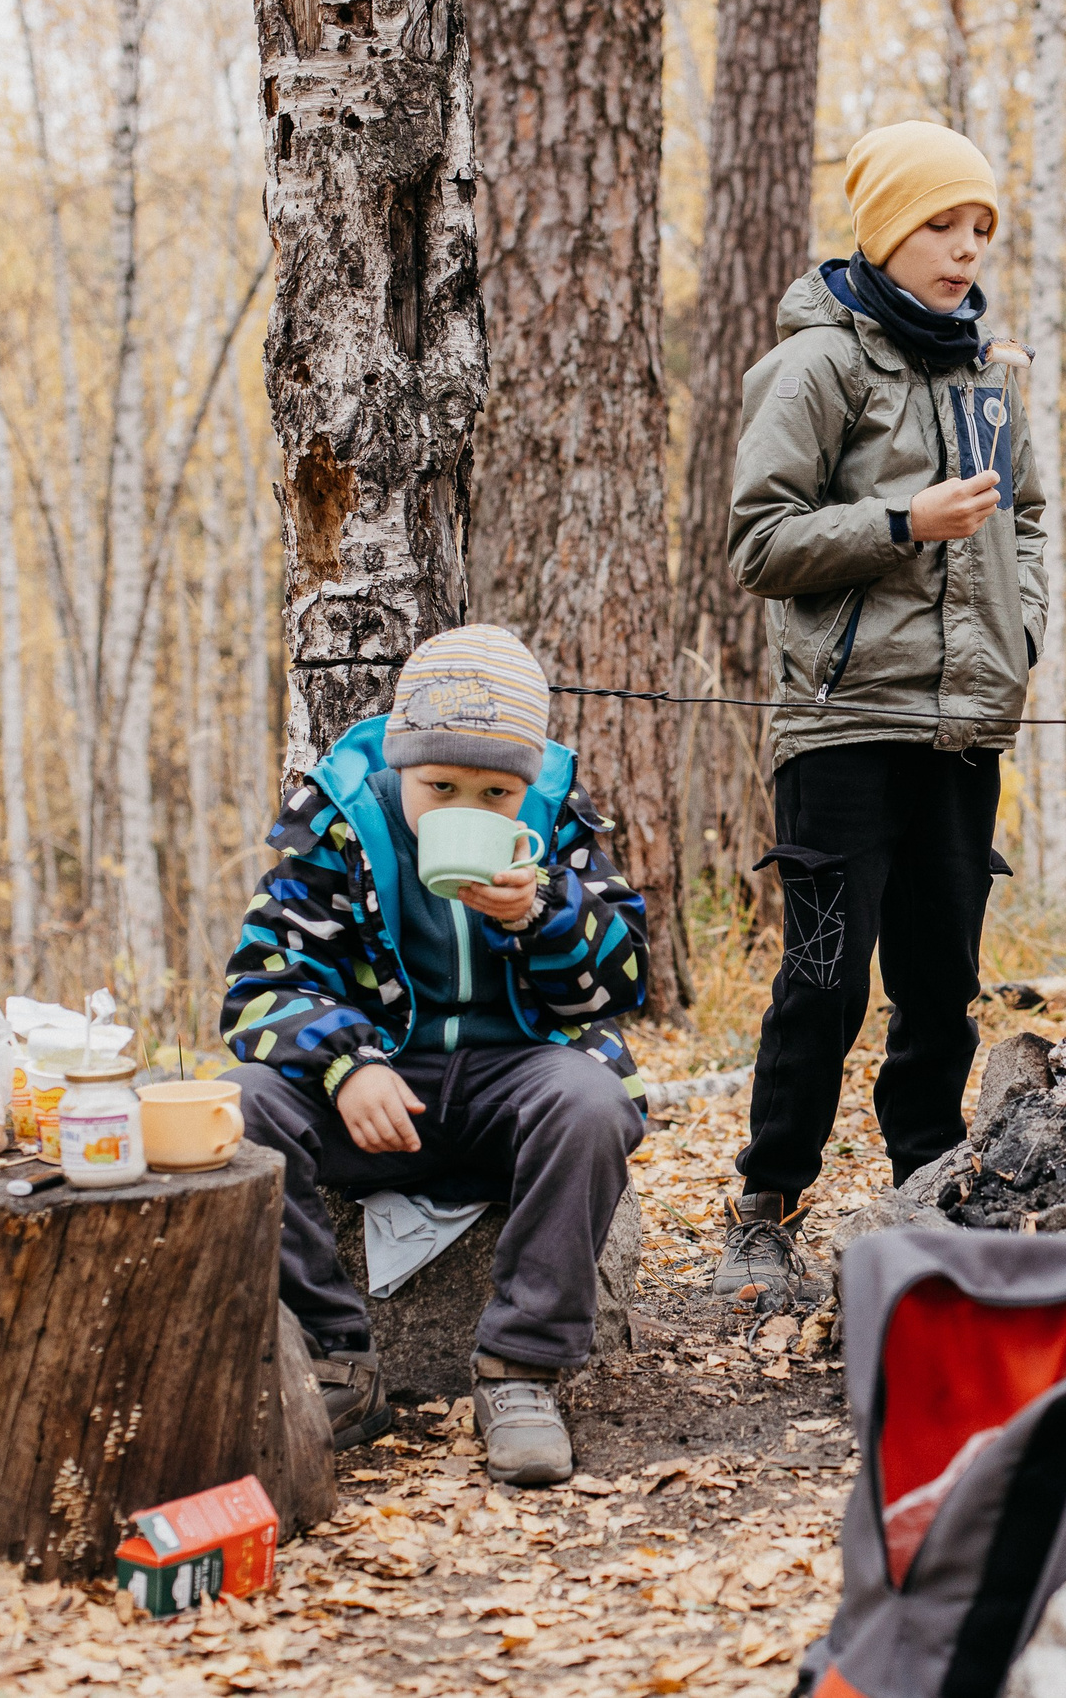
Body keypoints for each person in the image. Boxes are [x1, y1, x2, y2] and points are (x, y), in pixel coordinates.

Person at [712, 120, 1046, 1311]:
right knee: (822, 979)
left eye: (978, 230)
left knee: (940, 980)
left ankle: (929, 1189)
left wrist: (1023, 632)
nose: (963, 251)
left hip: (963, 724)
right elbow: (757, 544)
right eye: (939, 227)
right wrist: (901, 522)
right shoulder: (815, 367)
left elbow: (1030, 520)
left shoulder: (990, 371)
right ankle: (768, 1208)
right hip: (842, 725)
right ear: (882, 230)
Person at [221, 625, 649, 1485]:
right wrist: (345, 1061)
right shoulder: (341, 827)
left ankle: (522, 1372)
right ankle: (335, 1359)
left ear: (525, 787)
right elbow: (258, 985)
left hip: (512, 1081)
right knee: (240, 1104)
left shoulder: (554, 827)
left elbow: (622, 978)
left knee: (594, 1101)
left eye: (495, 792)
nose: (466, 808)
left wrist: (540, 916)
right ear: (401, 765)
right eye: (440, 785)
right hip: (377, 1089)